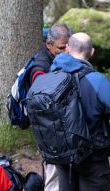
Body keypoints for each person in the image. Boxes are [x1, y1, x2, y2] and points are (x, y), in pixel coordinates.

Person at [52, 32, 110, 191]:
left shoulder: (51, 75)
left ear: (67, 48)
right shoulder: (96, 80)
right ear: (92, 52)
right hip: (92, 155)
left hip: (61, 152)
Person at [29, 23, 72, 191]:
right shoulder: (40, 68)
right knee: (54, 176)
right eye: (62, 48)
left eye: (69, 46)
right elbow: (40, 102)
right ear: (49, 45)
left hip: (63, 128)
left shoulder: (61, 59)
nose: (67, 51)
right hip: (50, 132)